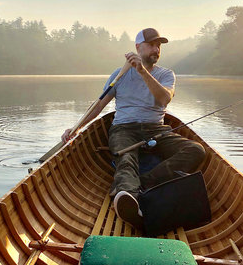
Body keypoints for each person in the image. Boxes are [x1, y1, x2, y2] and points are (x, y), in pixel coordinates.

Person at [61, 28, 205, 229]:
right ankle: (129, 199)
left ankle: (141, 184)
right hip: (123, 128)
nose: (156, 49)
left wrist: (142, 71)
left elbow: (164, 98)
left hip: (156, 129)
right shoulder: (119, 75)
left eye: (159, 46)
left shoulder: (166, 75)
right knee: (126, 159)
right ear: (138, 47)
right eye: (152, 45)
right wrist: (76, 127)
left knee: (195, 150)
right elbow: (100, 105)